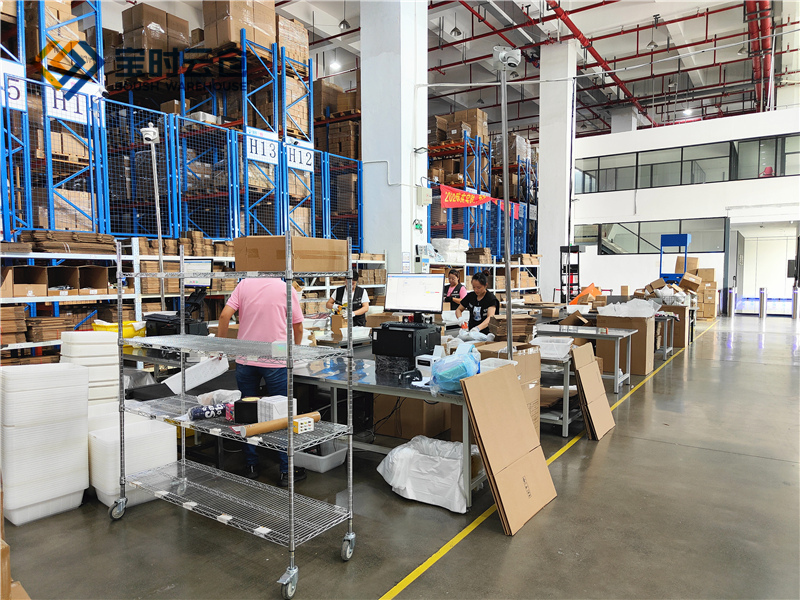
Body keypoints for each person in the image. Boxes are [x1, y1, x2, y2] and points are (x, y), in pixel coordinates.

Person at [217, 277, 305, 486]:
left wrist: (220, 347)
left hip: (246, 357)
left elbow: (224, 315)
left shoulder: (244, 285)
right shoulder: (286, 287)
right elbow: (298, 327)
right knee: (282, 414)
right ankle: (286, 471)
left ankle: (251, 465)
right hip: (277, 356)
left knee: (247, 413)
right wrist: (294, 351)